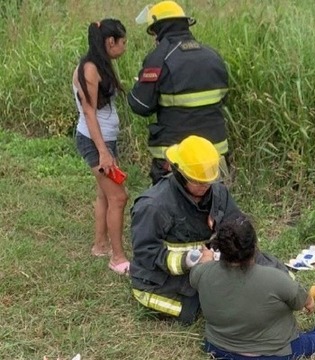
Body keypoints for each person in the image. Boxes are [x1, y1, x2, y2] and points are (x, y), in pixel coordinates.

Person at [129, 135, 287, 324]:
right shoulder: (153, 206)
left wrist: (227, 247)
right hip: (162, 278)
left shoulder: (217, 192)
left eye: (209, 181)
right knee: (207, 305)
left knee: (268, 268)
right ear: (180, 174)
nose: (206, 186)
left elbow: (238, 224)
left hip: (210, 263)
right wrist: (190, 260)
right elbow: (146, 254)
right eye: (199, 182)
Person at [190, 214, 315, 360]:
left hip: (218, 349)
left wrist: (206, 259)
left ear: (220, 247)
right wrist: (310, 301)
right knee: (313, 340)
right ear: (254, 247)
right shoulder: (276, 279)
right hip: (273, 354)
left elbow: (197, 273)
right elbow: (303, 301)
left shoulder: (202, 273)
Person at [128, 1, 231, 184]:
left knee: (172, 209)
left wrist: (138, 86)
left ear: (159, 29)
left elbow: (141, 105)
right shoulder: (213, 56)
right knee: (216, 206)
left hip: (176, 156)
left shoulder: (160, 57)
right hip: (214, 152)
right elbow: (222, 98)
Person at [72, 19, 130, 275]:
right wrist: (104, 153)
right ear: (110, 42)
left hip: (105, 140)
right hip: (96, 142)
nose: (125, 47)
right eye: (123, 42)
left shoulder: (101, 65)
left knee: (105, 195)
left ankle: (100, 246)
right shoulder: (89, 69)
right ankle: (117, 258)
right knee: (119, 197)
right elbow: (88, 112)